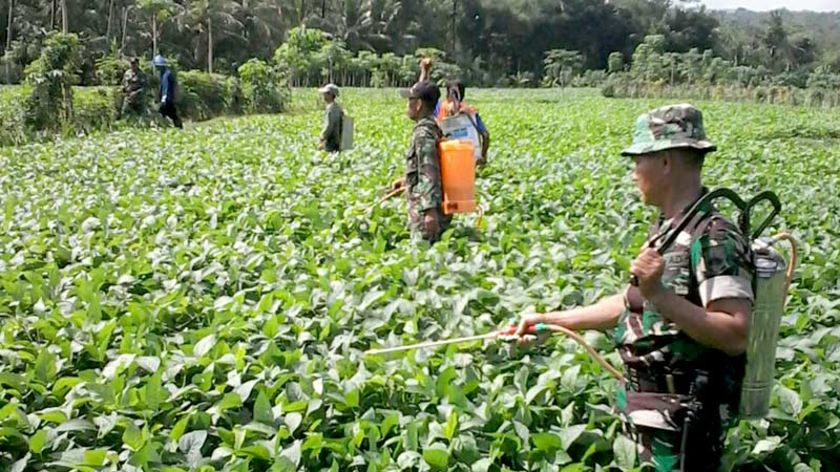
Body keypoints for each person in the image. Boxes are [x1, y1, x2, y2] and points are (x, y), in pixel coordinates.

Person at [517, 104, 754, 471]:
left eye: (638, 160)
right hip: (651, 413)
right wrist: (550, 320)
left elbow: (735, 332)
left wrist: (661, 295)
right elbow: (630, 304)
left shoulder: (715, 236)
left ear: (665, 162)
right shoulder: (669, 228)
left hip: (686, 423)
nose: (633, 173)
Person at [392, 81, 451, 243]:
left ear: (418, 104)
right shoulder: (433, 128)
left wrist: (430, 212)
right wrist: (407, 180)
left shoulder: (423, 134)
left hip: (424, 212)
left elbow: (428, 171)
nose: (407, 105)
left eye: (409, 100)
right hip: (431, 207)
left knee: (425, 257)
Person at [418, 58, 490, 165]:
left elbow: (422, 94)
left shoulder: (442, 108)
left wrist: (425, 70)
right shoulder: (469, 112)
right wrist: (482, 157)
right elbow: (485, 135)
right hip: (467, 160)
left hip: (446, 161)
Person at [153, 55, 182, 129]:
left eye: (157, 66)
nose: (156, 68)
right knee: (173, 115)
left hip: (167, 100)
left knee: (161, 114)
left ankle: (159, 128)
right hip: (168, 100)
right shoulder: (163, 74)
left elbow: (166, 87)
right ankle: (178, 128)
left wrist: (163, 98)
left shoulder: (167, 74)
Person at [318, 83, 343, 153]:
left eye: (325, 94)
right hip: (338, 141)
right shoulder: (337, 107)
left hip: (332, 142)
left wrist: (322, 137)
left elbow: (329, 126)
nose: (323, 96)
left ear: (330, 95)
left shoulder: (331, 108)